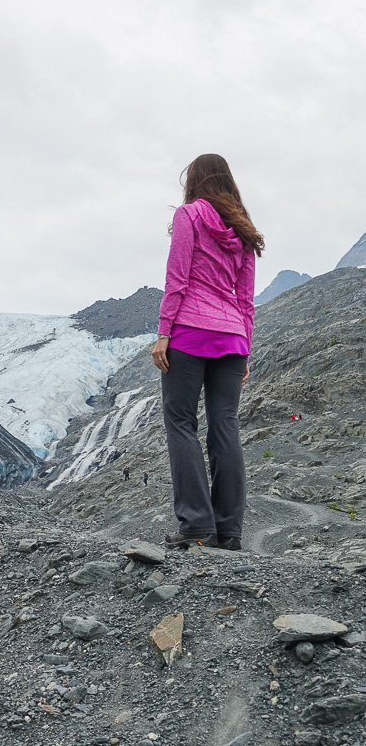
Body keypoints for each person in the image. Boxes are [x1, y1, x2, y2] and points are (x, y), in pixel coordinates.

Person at [151, 154, 264, 551]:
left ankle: (197, 526)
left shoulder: (190, 215)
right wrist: (245, 349)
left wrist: (164, 333)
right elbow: (246, 300)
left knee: (181, 422)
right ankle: (229, 532)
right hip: (232, 338)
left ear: (194, 181)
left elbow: (177, 278)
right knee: (225, 427)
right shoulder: (244, 230)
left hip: (190, 333)